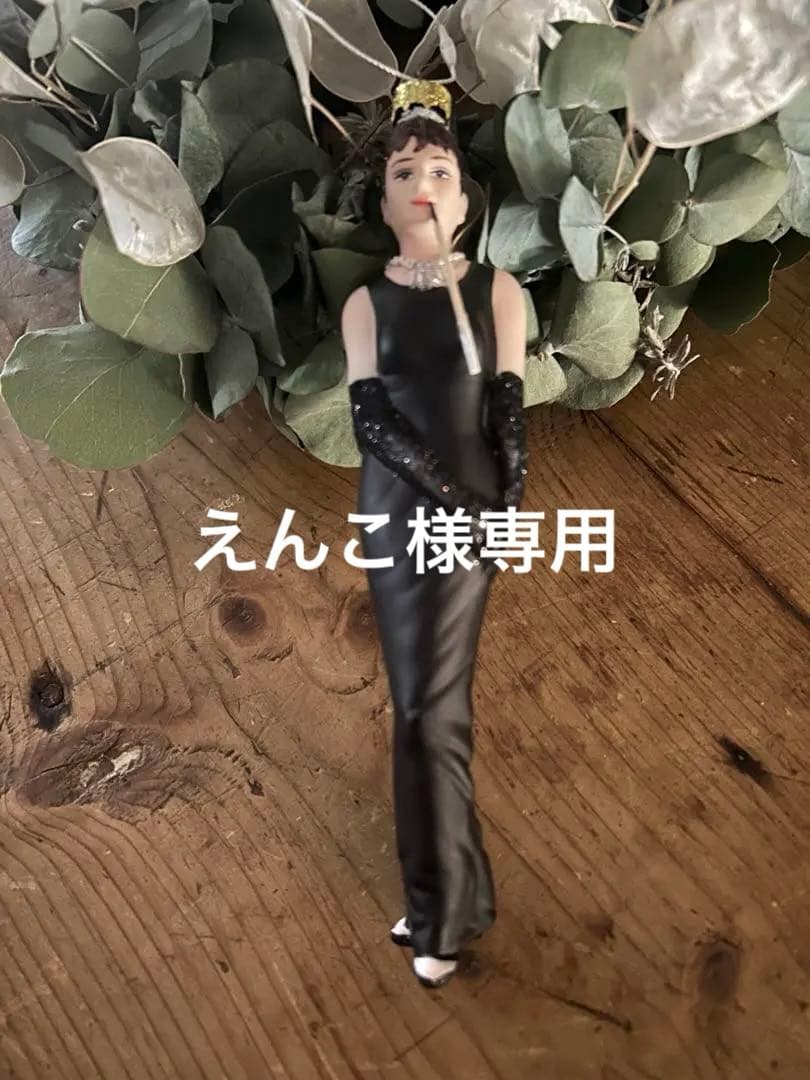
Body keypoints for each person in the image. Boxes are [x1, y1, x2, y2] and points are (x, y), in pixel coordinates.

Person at [341, 79, 528, 989]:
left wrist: (505, 504)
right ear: (384, 203)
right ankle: (450, 895)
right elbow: (371, 422)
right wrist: (453, 492)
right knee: (419, 707)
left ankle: (440, 914)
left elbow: (508, 410)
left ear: (463, 199)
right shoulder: (365, 304)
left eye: (440, 171)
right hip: (400, 509)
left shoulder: (499, 292)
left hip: (470, 518)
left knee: (429, 710)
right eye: (404, 172)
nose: (422, 185)